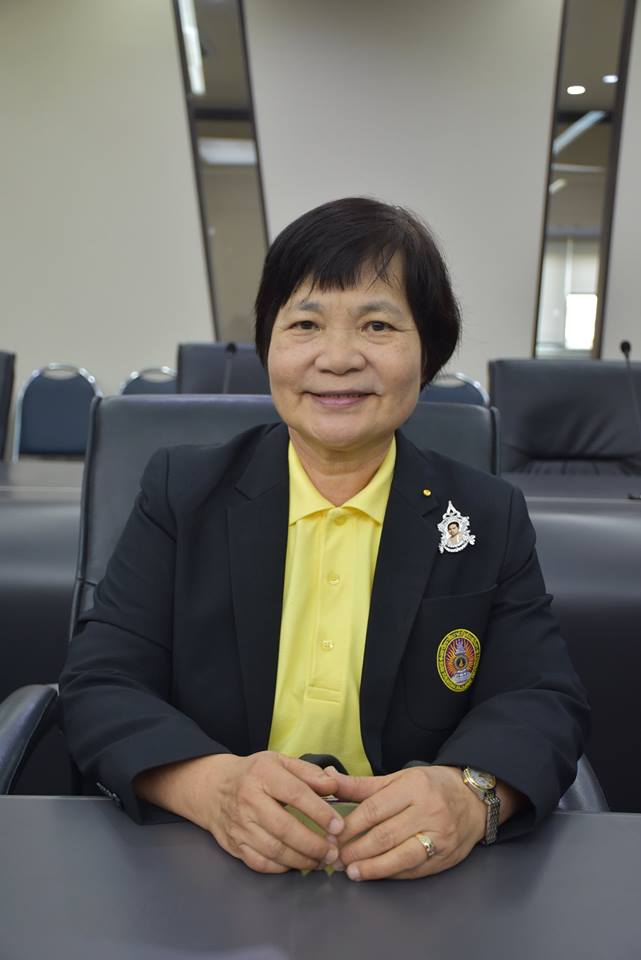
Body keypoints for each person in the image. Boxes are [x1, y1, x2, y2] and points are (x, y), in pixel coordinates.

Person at [59, 197, 589, 882]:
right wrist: (212, 788)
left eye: (377, 325)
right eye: (305, 324)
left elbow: (542, 700)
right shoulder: (183, 493)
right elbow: (102, 681)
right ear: (269, 346)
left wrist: (470, 795)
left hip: (416, 880)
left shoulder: (486, 514)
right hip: (202, 864)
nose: (337, 359)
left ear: (427, 352)